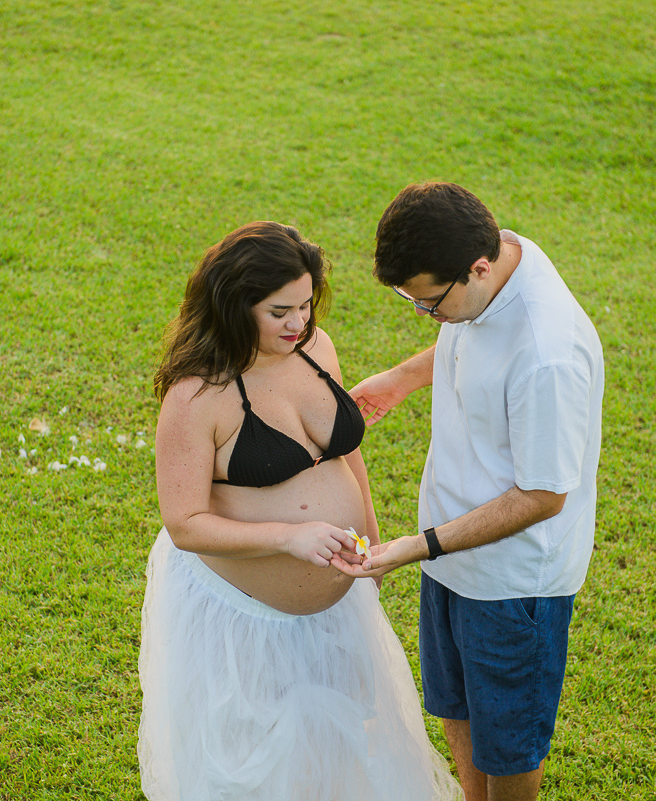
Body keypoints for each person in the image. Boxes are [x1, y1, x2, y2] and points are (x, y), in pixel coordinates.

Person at [138, 221, 462, 801]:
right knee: (260, 767)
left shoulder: (316, 347)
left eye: (307, 305)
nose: (299, 323)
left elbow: (344, 449)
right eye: (280, 311)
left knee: (341, 754)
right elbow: (184, 523)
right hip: (245, 622)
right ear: (235, 307)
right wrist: (288, 536)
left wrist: (371, 533)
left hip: (340, 602)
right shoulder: (197, 394)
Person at [332, 183, 604, 801]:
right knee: (455, 707)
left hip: (511, 584)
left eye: (430, 303)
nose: (428, 315)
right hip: (452, 557)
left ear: (477, 269)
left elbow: (542, 495)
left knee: (507, 742)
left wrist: (422, 545)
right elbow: (472, 330)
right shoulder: (500, 263)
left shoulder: (548, 354)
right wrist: (403, 378)